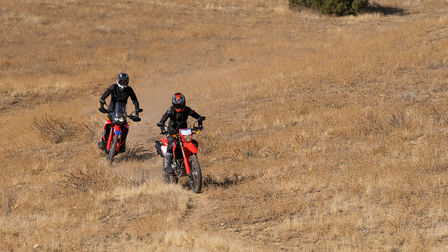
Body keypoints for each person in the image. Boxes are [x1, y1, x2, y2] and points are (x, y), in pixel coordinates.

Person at [156, 92, 205, 176]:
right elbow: (162, 120)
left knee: (194, 143)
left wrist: (200, 122)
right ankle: (167, 167)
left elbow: (197, 116)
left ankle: (192, 161)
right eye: (177, 105)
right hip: (172, 131)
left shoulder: (187, 109)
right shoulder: (170, 110)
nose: (179, 107)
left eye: (181, 104)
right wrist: (162, 128)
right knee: (171, 145)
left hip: (184, 131)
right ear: (173, 104)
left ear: (184, 103)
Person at [97, 73, 141, 152]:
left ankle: (122, 144)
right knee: (107, 123)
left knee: (125, 127)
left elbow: (135, 101)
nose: (123, 84)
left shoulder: (129, 89)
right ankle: (102, 138)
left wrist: (137, 112)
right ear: (118, 81)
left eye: (125, 82)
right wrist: (102, 104)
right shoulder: (113, 87)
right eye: (121, 82)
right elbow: (104, 96)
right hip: (112, 110)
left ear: (127, 83)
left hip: (122, 112)